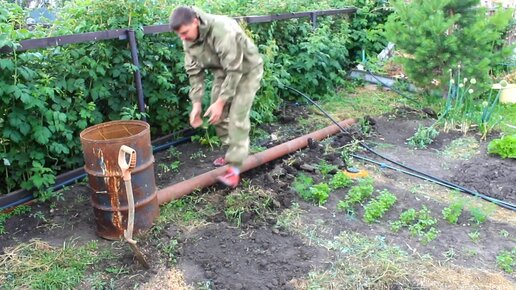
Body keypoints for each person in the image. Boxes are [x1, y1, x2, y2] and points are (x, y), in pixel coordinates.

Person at [169, 6, 264, 188]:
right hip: (223, 72)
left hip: (247, 70)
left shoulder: (222, 29)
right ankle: (236, 152)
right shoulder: (188, 38)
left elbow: (235, 70)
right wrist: (196, 104)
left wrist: (221, 102)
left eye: (185, 32)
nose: (183, 38)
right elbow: (194, 72)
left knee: (236, 116)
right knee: (217, 116)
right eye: (179, 34)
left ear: (195, 21)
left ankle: (235, 169)